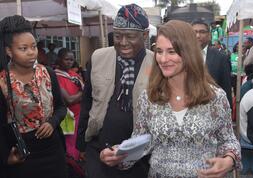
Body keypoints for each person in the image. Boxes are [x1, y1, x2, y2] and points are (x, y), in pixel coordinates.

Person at [100, 20, 241, 178]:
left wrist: (229, 160)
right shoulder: (148, 98)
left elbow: (229, 140)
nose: (163, 59)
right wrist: (117, 154)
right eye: (159, 51)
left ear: (188, 52)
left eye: (171, 51)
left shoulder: (215, 97)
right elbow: (141, 143)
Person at [76, 4, 154, 178]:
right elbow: (88, 101)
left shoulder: (158, 64)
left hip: (141, 157)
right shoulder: (98, 57)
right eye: (118, 36)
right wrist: (81, 143)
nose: (123, 42)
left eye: (130, 36)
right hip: (98, 149)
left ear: (145, 35)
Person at [0, 15, 67, 178]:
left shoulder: (47, 73)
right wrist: (4, 157)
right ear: (9, 51)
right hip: (22, 154)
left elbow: (61, 107)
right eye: (23, 49)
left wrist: (52, 123)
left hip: (53, 150)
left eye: (34, 47)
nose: (31, 53)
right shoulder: (2, 81)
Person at [192, 19, 232, 108]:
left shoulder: (221, 58)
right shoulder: (181, 56)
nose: (198, 35)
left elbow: (226, 88)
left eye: (202, 32)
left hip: (212, 109)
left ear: (209, 35)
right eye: (194, 32)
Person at [55, 48, 84, 160]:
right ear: (59, 60)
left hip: (79, 114)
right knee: (69, 145)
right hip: (67, 117)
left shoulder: (74, 75)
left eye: (72, 60)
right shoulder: (56, 76)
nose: (69, 62)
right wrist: (82, 94)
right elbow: (69, 100)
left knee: (77, 143)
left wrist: (81, 95)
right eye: (66, 59)